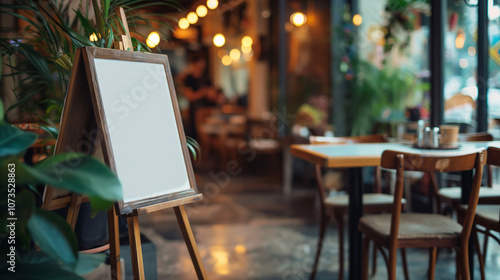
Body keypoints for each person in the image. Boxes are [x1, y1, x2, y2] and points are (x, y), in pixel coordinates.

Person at [183, 55, 218, 139]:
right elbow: (190, 96)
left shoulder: (206, 77)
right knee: (195, 135)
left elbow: (212, 94)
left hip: (207, 110)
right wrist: (203, 92)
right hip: (195, 111)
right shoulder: (189, 78)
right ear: (194, 64)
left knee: (209, 136)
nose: (202, 65)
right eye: (200, 62)